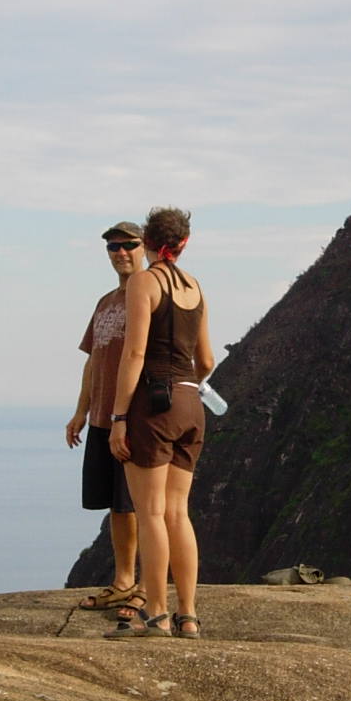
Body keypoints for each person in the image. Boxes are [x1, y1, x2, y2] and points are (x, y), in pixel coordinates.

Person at [105, 207, 214, 640]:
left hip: (153, 404)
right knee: (177, 513)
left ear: (148, 241)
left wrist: (118, 418)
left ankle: (156, 615)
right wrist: (187, 386)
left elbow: (134, 354)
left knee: (150, 513)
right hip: (191, 404)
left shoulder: (144, 283)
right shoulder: (195, 287)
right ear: (184, 244)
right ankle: (188, 616)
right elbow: (207, 361)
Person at [66, 221, 143, 612]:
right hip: (101, 418)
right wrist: (81, 411)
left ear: (145, 247)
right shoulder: (105, 302)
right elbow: (93, 360)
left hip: (132, 417)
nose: (121, 252)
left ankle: (144, 586)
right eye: (114, 247)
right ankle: (123, 580)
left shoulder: (149, 296)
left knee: (139, 503)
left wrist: (124, 415)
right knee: (117, 505)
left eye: (129, 244)